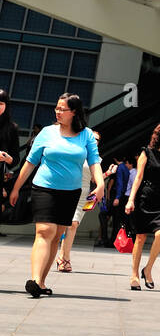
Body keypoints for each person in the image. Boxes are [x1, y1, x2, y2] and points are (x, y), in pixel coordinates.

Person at [8, 94, 104, 298]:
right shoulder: (47, 133)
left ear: (74, 112)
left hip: (70, 192)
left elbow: (94, 161)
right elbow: (30, 162)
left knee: (56, 236)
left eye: (63, 109)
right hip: (44, 187)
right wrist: (16, 187)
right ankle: (34, 279)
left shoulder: (86, 135)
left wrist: (101, 183)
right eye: (57, 108)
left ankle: (41, 282)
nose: (58, 112)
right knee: (44, 230)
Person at [126, 120, 160, 289]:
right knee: (140, 238)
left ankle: (148, 268)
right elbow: (139, 177)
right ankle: (134, 274)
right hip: (145, 197)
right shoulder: (147, 152)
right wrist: (131, 199)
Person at [55, 130, 112, 270]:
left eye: (98, 140)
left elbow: (95, 178)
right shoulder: (74, 151)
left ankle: (63, 257)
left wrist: (108, 174)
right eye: (93, 138)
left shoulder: (97, 158)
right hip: (68, 189)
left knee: (73, 224)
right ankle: (64, 258)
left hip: (84, 194)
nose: (96, 141)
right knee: (66, 225)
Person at [0, 90, 20, 227]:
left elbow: (16, 159)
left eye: (0, 103)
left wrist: (7, 159)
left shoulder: (12, 128)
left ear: (6, 105)